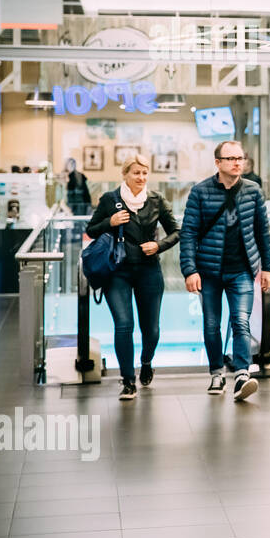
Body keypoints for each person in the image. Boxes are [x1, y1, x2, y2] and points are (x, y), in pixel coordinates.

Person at [180, 140, 270, 402]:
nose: (237, 163)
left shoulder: (253, 191)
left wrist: (268, 267)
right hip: (208, 271)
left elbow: (262, 232)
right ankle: (216, 373)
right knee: (211, 325)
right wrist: (189, 270)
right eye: (231, 158)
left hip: (241, 270)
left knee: (240, 321)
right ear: (218, 163)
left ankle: (242, 374)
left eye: (240, 158)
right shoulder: (200, 192)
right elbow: (188, 234)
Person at [85, 156, 180, 401]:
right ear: (125, 174)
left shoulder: (156, 200)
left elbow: (178, 231)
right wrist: (110, 221)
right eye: (136, 173)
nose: (141, 177)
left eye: (144, 173)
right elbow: (91, 230)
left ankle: (146, 362)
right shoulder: (110, 200)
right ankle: (128, 380)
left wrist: (158, 246)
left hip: (149, 269)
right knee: (124, 325)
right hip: (117, 271)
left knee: (152, 330)